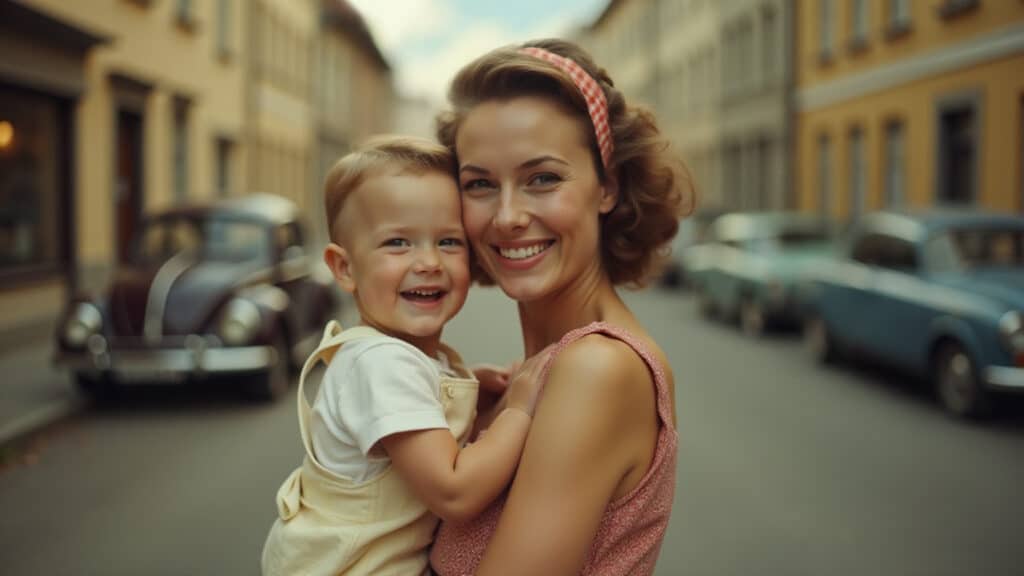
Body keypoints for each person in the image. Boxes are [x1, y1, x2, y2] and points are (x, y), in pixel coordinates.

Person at [429, 39, 692, 575]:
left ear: (607, 187)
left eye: (542, 178)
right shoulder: (541, 370)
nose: (506, 216)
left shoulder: (597, 367)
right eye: (479, 184)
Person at [261, 136, 547, 576]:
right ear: (345, 268)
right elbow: (455, 492)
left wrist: (474, 398)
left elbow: (427, 444)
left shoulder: (398, 358)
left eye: (449, 242)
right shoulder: (383, 364)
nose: (429, 261)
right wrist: (521, 411)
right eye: (398, 243)